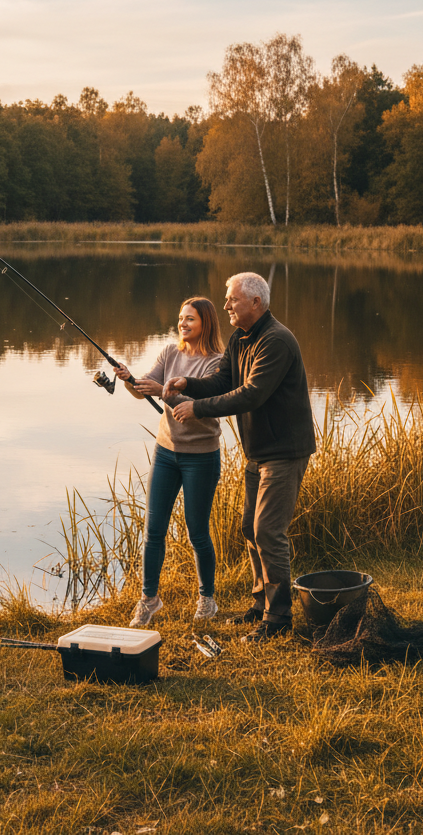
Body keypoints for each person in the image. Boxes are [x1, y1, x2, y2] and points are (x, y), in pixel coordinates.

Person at [163, 272, 316, 643]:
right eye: (228, 300)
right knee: (250, 528)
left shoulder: (276, 341)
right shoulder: (241, 338)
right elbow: (224, 379)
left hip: (284, 451)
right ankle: (260, 606)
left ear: (255, 303)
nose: (226, 305)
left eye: (232, 299)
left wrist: (197, 408)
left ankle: (279, 618)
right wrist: (190, 385)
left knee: (268, 531)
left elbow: (250, 395)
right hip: (259, 451)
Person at [113, 296, 225, 628]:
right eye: (181, 318)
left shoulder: (216, 364)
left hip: (201, 457)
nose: (183, 323)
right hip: (166, 452)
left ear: (206, 323)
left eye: (190, 319)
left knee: (197, 533)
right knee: (153, 531)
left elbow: (197, 404)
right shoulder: (169, 352)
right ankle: (149, 600)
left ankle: (207, 599)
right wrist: (130, 380)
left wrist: (162, 389)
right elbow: (146, 390)